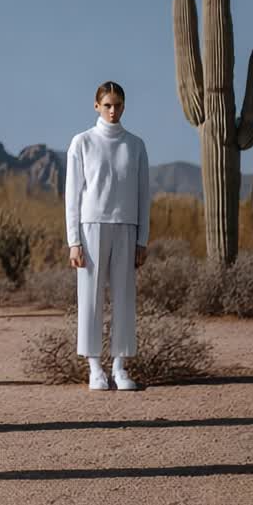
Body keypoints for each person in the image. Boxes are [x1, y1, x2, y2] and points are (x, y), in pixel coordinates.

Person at [64, 80, 150, 391]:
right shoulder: (82, 142)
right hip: (90, 227)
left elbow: (143, 195)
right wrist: (73, 240)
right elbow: (72, 194)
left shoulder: (136, 145)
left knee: (124, 298)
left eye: (118, 105)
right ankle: (94, 367)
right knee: (90, 297)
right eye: (108, 105)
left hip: (127, 227)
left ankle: (120, 366)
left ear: (124, 106)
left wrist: (143, 239)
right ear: (97, 106)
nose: (113, 111)